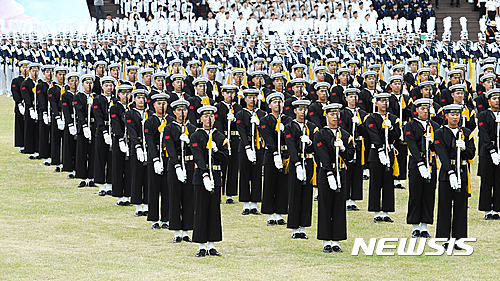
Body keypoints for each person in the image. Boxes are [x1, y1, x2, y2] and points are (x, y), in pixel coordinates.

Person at [314, 103, 354, 253]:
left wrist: (343, 149)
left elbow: (351, 154)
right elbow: (322, 154)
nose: (334, 117)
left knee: (338, 206)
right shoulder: (320, 134)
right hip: (326, 173)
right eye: (331, 114)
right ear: (326, 116)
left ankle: (336, 240)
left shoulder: (344, 134)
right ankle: (326, 241)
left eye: (336, 115)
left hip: (341, 172)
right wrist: (329, 173)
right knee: (325, 205)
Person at [434, 104, 476, 249]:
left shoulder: (465, 132)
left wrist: (464, 148)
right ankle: (445, 238)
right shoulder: (440, 132)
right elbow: (441, 153)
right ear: (446, 116)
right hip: (447, 171)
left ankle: (459, 239)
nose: (455, 117)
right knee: (445, 205)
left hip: (462, 170)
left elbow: (471, 154)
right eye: (452, 115)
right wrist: (450, 172)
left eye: (457, 114)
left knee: (461, 205)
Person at [190, 105, 229, 257]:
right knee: (200, 210)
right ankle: (201, 246)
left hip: (216, 176)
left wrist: (216, 151)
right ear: (200, 119)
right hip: (201, 178)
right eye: (205, 116)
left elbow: (226, 158)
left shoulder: (219, 136)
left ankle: (212, 245)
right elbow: (198, 157)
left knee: (214, 210)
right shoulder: (196, 136)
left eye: (211, 116)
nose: (209, 119)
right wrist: (205, 175)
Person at [404, 98, 440, 238]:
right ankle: (415, 226)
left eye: (427, 109)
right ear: (417, 110)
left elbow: (439, 145)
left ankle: (424, 225)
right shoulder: (410, 125)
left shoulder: (435, 126)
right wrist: (419, 163)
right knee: (416, 193)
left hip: (430, 161)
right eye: (422, 109)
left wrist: (433, 142)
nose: (425, 111)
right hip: (416, 163)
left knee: (429, 194)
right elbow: (411, 145)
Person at [164, 99, 198, 241]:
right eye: (179, 110)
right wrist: (177, 166)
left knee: (189, 198)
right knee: (175, 197)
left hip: (189, 165)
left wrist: (189, 141)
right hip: (175, 165)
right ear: (174, 112)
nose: (182, 113)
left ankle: (186, 230)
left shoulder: (193, 128)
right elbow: (170, 148)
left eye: (184, 110)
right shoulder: (169, 128)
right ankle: (176, 231)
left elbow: (197, 148)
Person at [365, 93, 401, 223]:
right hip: (376, 152)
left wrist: (390, 127)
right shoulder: (371, 118)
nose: (384, 104)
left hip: (389, 150)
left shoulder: (393, 118)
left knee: (388, 182)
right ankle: (376, 212)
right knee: (376, 182)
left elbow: (397, 134)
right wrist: (380, 149)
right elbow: (373, 134)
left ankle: (386, 212)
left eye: (386, 101)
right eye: (381, 101)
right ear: (376, 103)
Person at [285, 99, 319, 238]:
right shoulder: (289, 126)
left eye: (305, 110)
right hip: (296, 162)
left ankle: (303, 227)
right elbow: (291, 146)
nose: (302, 112)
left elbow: (317, 146)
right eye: (300, 109)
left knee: (306, 194)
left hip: (309, 161)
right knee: (295, 193)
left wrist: (310, 142)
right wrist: (297, 163)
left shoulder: (312, 127)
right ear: (295, 111)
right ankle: (294, 228)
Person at [260, 92, 293, 226]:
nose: (277, 105)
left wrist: (284, 131)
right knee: (269, 183)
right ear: (269, 105)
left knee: (282, 184)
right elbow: (267, 138)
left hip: (284, 155)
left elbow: (291, 137)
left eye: (280, 102)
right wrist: (274, 153)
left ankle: (279, 213)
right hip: (271, 154)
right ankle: (269, 214)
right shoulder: (265, 120)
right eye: (274, 102)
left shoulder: (287, 120)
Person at [145, 93, 175, 229]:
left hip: (168, 156)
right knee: (153, 188)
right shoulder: (149, 121)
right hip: (155, 156)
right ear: (154, 105)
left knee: (167, 188)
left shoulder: (171, 121)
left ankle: (166, 218)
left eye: (163, 104)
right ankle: (154, 219)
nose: (161, 106)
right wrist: (155, 159)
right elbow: (149, 141)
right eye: (158, 104)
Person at [236, 88, 267, 215]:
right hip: (245, 146)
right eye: (249, 97)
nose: (252, 100)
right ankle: (245, 204)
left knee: (256, 174)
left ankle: (254, 204)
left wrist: (259, 123)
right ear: (245, 99)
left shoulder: (262, 113)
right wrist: (247, 147)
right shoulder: (240, 114)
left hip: (258, 145)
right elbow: (241, 131)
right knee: (244, 174)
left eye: (254, 97)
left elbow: (266, 130)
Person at [124, 89, 153, 217]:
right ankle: (137, 205)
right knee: (136, 175)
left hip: (149, 147)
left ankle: (147, 204)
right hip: (137, 147)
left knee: (148, 177)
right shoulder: (130, 114)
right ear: (134, 99)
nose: (141, 100)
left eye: (143, 98)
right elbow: (131, 131)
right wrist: (137, 146)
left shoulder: (150, 113)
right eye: (138, 98)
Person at [339, 88, 368, 211]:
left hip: (359, 143)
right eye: (350, 97)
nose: (353, 99)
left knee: (357, 171)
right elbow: (342, 128)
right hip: (347, 143)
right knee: (347, 171)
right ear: (346, 98)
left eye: (355, 97)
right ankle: (345, 199)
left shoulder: (362, 113)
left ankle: (353, 199)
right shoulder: (342, 113)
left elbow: (367, 131)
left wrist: (360, 124)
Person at [214, 85, 243, 204]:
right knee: (222, 167)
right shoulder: (218, 107)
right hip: (223, 138)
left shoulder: (238, 107)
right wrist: (223, 138)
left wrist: (235, 120)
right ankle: (220, 193)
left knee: (233, 167)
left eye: (232, 93)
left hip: (235, 138)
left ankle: (230, 194)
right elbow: (217, 123)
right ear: (223, 93)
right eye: (227, 93)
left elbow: (242, 123)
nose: (229, 95)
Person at [477, 89, 500, 220]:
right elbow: (484, 133)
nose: (497, 101)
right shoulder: (484, 115)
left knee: (498, 180)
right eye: (494, 98)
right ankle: (487, 209)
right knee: (486, 180)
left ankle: (496, 208)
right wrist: (491, 150)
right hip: (487, 152)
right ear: (489, 101)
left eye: (498, 98)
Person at [93, 76, 116, 196]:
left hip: (114, 130)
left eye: (110, 86)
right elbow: (98, 115)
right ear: (102, 87)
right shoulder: (98, 99)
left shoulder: (115, 100)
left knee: (112, 158)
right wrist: (104, 131)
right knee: (100, 158)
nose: (108, 88)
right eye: (106, 86)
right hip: (102, 131)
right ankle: (101, 185)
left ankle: (110, 184)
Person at [111, 84, 133, 206]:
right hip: (119, 140)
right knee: (118, 167)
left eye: (128, 93)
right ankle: (119, 195)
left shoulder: (132, 108)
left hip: (131, 140)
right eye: (123, 93)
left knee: (129, 168)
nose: (126, 96)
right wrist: (120, 139)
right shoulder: (115, 108)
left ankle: (128, 194)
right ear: (118, 94)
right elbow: (115, 123)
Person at [73, 74, 96, 188]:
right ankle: (82, 177)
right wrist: (83, 126)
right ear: (82, 84)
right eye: (87, 83)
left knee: (93, 153)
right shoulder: (79, 96)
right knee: (81, 152)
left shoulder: (96, 97)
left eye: (91, 83)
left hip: (93, 126)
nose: (89, 85)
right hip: (83, 127)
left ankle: (91, 177)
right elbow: (79, 112)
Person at [11, 60, 30, 153]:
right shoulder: (16, 80)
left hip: (30, 106)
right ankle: (21, 144)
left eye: (27, 67)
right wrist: (19, 104)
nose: (25, 69)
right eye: (23, 67)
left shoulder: (31, 81)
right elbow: (15, 93)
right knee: (20, 125)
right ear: (20, 68)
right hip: (20, 106)